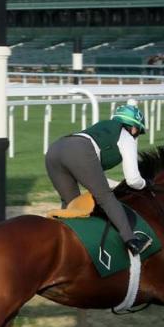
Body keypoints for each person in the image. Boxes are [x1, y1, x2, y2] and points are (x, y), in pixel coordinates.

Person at [45, 101, 151, 256]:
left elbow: (94, 178)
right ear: (133, 127)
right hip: (79, 151)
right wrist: (145, 184)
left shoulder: (104, 128)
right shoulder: (126, 136)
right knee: (106, 198)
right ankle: (132, 242)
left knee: (73, 205)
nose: (136, 136)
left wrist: (116, 184)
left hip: (55, 149)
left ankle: (63, 246)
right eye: (137, 132)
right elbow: (133, 180)